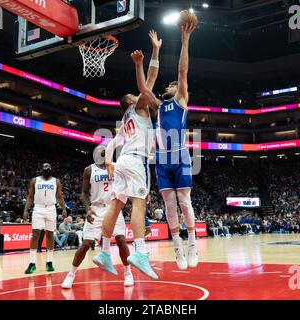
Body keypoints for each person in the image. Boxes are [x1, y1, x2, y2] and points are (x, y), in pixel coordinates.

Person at [91, 31, 162, 280]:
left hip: (122, 161)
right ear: (131, 101)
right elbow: (150, 79)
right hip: (135, 161)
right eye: (135, 95)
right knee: (139, 203)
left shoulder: (124, 120)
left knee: (116, 204)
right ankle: (140, 252)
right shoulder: (139, 106)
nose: (138, 94)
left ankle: (104, 252)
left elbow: (111, 144)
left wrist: (109, 162)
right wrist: (153, 52)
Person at [133, 23, 198, 270]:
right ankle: (177, 248)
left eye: (175, 84)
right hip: (160, 158)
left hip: (180, 155)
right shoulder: (158, 105)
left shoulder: (181, 100)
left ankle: (192, 244)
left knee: (185, 201)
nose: (173, 84)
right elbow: (142, 88)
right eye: (170, 84)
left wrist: (184, 39)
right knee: (170, 205)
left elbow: (182, 71)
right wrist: (153, 54)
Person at [62, 145, 134, 289]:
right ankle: (71, 275)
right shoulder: (89, 169)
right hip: (96, 208)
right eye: (101, 152)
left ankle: (128, 273)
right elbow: (84, 193)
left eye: (105, 152)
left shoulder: (116, 167)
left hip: (113, 208)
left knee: (121, 240)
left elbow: (127, 185)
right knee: (86, 244)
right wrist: (87, 209)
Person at [23, 163, 67, 274]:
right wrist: (25, 210)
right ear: (41, 169)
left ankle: (49, 262)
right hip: (38, 208)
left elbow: (60, 196)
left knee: (50, 234)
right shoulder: (35, 180)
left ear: (51, 169)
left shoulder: (56, 181)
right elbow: (30, 196)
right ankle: (32, 263)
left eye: (48, 167)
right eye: (45, 167)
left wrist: (64, 208)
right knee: (35, 234)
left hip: (51, 208)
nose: (47, 168)